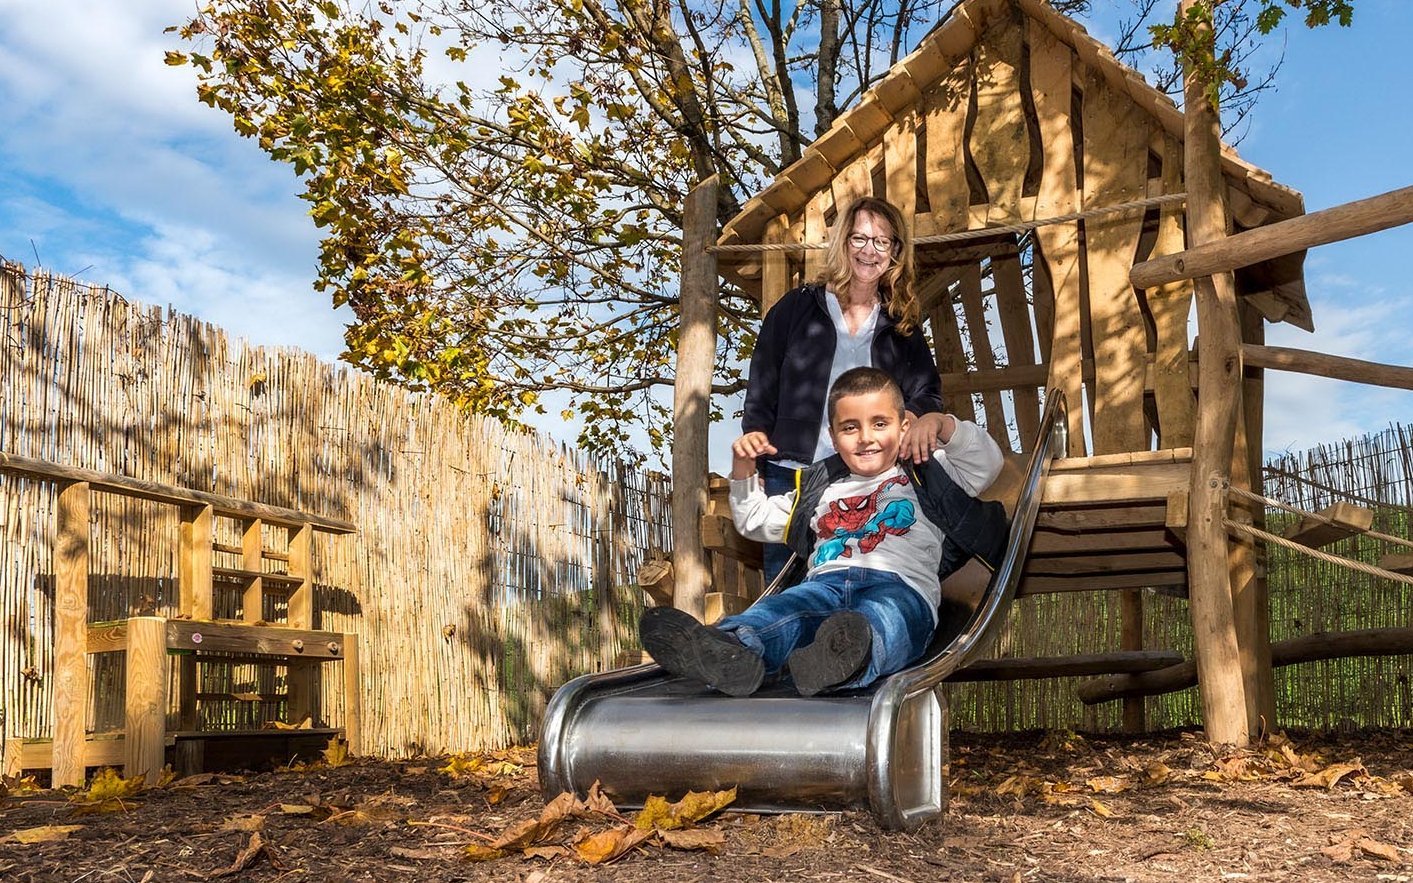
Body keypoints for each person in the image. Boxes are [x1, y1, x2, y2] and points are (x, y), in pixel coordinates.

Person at [641, 367, 1006, 698]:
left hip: (900, 587)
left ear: (903, 427)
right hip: (823, 586)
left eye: (880, 423)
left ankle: (844, 661)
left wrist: (941, 424)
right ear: (833, 437)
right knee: (783, 612)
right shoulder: (821, 488)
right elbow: (754, 520)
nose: (866, 438)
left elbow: (988, 464)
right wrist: (743, 468)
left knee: (888, 621)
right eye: (851, 428)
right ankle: (732, 650)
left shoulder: (931, 471)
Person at [736, 196, 947, 585]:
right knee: (785, 587)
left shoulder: (900, 327)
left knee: (851, 585)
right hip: (793, 474)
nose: (870, 251)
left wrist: (913, 422)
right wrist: (758, 464)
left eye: (882, 242)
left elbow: (927, 394)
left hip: (865, 479)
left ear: (895, 253)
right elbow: (762, 389)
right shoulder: (795, 309)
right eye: (859, 239)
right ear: (842, 243)